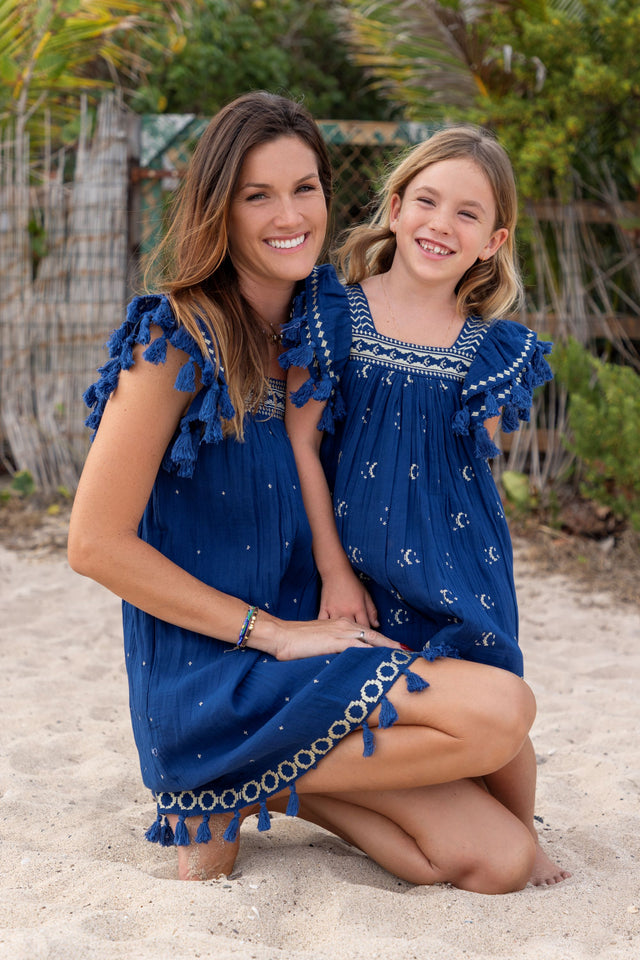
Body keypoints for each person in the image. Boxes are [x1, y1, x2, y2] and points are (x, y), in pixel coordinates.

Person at [68, 93, 537, 893]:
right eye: (258, 195)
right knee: (498, 712)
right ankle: (208, 764)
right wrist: (276, 635)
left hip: (315, 654)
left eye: (305, 188)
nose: (289, 215)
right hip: (219, 671)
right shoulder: (173, 338)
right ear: (220, 207)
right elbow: (93, 544)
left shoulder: (328, 324)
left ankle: (241, 784)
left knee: (501, 861)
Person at [283, 125, 570, 885]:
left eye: (468, 214)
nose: (442, 224)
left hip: (459, 567)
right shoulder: (334, 314)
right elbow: (302, 444)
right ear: (396, 206)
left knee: (499, 708)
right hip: (358, 572)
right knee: (425, 715)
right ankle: (292, 781)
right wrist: (334, 571)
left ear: (493, 242)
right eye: (428, 201)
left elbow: (474, 464)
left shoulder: (491, 350)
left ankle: (518, 829)